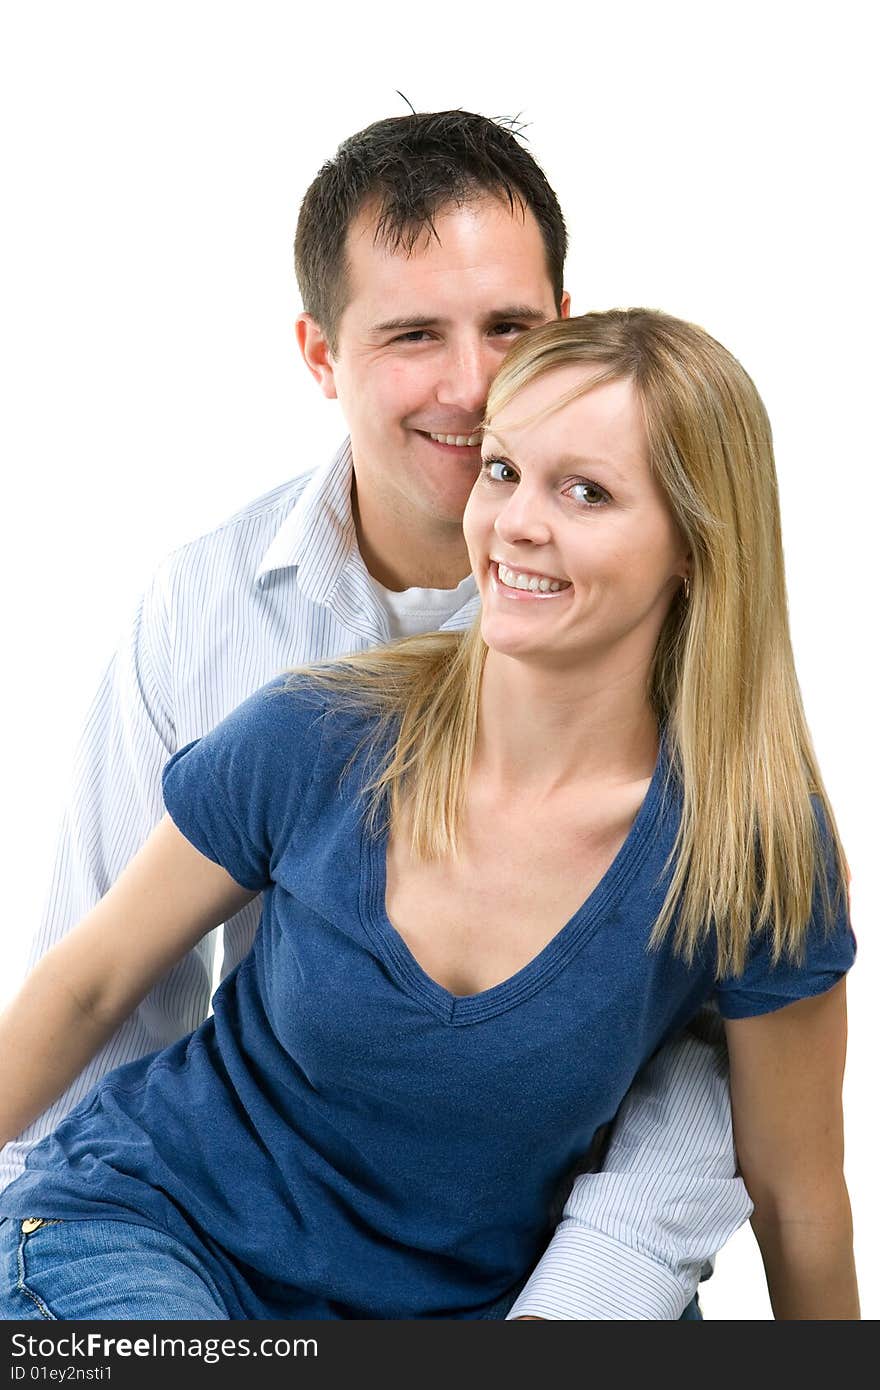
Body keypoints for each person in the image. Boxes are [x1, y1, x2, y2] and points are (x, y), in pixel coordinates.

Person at [0, 112, 750, 1319]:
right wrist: (86, 1273)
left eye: (509, 326)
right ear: (319, 354)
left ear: (568, 322)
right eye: (411, 334)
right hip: (200, 1225)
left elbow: (698, 1072)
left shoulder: (661, 618)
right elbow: (104, 990)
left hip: (526, 1255)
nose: (470, 382)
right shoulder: (207, 611)